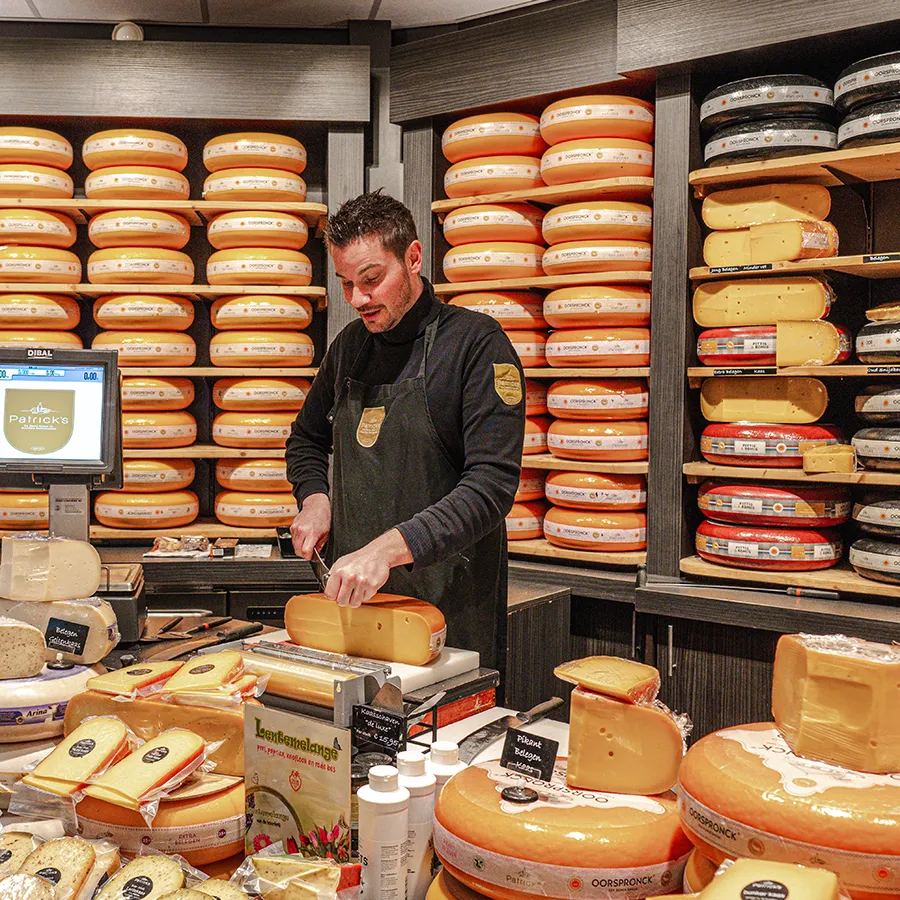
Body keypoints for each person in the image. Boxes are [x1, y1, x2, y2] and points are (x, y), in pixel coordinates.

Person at [285, 190, 525, 671]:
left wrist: (387, 550)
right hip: (356, 608)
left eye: (371, 279)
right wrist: (314, 499)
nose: (358, 299)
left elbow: (491, 487)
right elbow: (306, 439)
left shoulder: (476, 345)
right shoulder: (349, 347)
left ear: (413, 258)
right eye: (346, 284)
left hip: (447, 611)